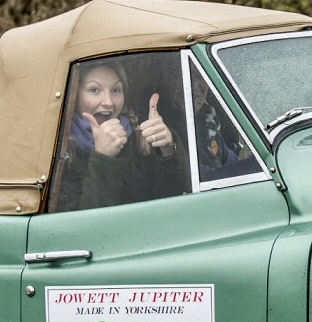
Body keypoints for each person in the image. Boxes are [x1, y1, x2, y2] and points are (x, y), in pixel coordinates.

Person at [54, 60, 188, 211]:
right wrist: (104, 157)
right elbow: (82, 221)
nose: (108, 102)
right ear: (75, 95)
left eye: (116, 90)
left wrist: (168, 150)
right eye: (94, 90)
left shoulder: (139, 139)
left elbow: (173, 202)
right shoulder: (61, 148)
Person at [191, 75, 241, 177]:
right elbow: (201, 177)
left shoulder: (208, 122)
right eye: (178, 75)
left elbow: (230, 160)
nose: (195, 85)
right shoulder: (170, 131)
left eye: (200, 76)